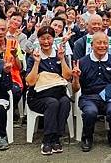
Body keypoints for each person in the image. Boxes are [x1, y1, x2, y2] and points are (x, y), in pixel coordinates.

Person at [25, 26, 72, 155]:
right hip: (38, 97)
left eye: (49, 38)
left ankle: (57, 137)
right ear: (38, 39)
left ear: (53, 39)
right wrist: (36, 63)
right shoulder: (33, 56)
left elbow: (68, 77)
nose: (46, 42)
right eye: (42, 39)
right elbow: (30, 82)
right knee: (53, 103)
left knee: (65, 102)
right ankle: (47, 139)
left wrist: (62, 59)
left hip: (58, 93)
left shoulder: (59, 54)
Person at [76, 32, 111, 152]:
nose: (102, 45)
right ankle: (87, 137)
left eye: (105, 43)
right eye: (99, 43)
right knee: (90, 112)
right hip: (89, 97)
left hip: (110, 97)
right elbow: (75, 89)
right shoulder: (82, 62)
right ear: (92, 45)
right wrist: (76, 78)